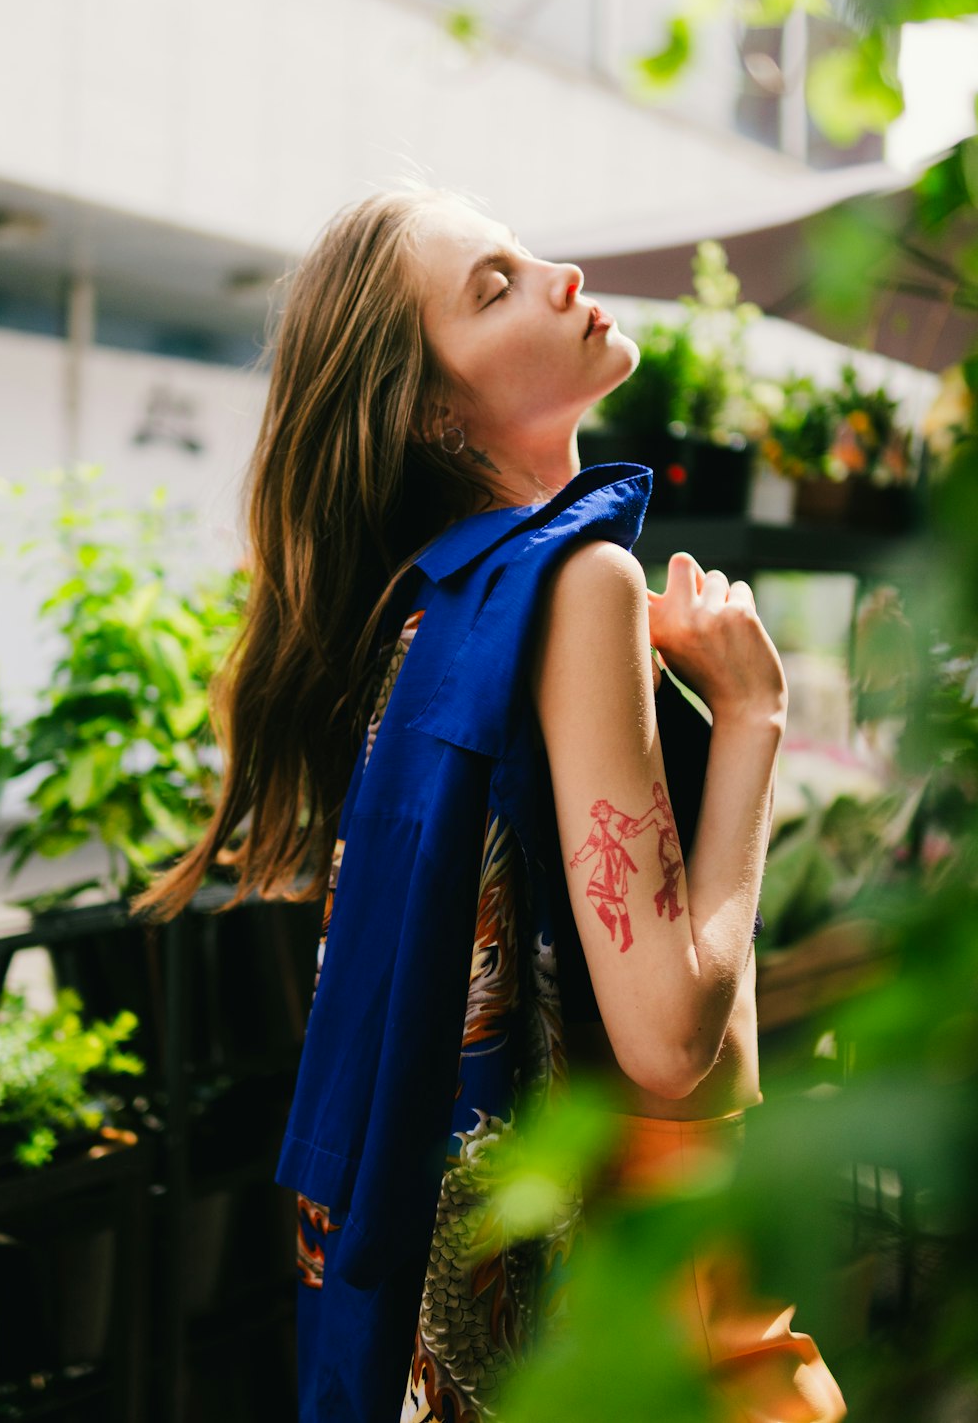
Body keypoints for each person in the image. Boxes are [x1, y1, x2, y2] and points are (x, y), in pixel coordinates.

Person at [129, 179, 845, 1423]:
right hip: (649, 1289)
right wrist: (750, 721)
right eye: (494, 286)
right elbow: (678, 1045)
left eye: (524, 254)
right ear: (429, 411)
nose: (559, 277)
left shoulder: (429, 617)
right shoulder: (581, 586)